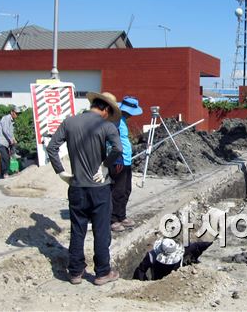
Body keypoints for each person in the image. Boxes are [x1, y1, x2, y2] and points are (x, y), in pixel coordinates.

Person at [46, 92, 123, 286]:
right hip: (99, 188)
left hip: (77, 186)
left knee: (78, 230)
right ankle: (102, 272)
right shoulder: (106, 126)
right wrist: (105, 165)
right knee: (101, 230)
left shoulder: (69, 122)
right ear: (105, 109)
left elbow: (51, 148)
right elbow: (118, 149)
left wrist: (61, 172)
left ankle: (75, 272)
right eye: (109, 112)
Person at [110, 96, 143, 232]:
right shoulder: (115, 122)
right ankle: (113, 219)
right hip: (119, 160)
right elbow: (110, 142)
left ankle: (121, 215)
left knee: (126, 189)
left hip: (126, 160)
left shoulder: (122, 120)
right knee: (118, 191)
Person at [133, 238, 213, 281]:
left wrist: (212, 244)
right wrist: (143, 283)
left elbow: (197, 246)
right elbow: (140, 270)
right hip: (157, 282)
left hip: (178, 281)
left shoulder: (183, 250)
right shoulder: (152, 256)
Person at [0, 105, 23, 178]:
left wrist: (13, 138)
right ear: (12, 112)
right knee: (5, 157)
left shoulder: (12, 120)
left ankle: (3, 172)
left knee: (6, 157)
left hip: (4, 143)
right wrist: (11, 139)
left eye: (18, 114)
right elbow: (5, 130)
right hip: (0, 141)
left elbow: (10, 132)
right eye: (16, 113)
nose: (17, 115)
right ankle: (5, 173)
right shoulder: (6, 118)